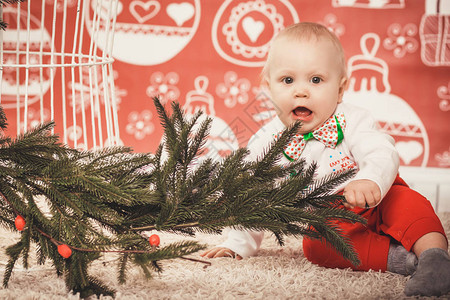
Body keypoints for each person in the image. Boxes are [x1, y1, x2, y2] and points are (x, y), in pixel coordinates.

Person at [200, 22, 450, 297]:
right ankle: (405, 261)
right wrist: (238, 243)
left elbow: (381, 150)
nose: (301, 91)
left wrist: (371, 179)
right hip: (331, 217)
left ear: (340, 89)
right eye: (287, 80)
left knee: (409, 205)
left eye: (316, 80)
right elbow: (252, 194)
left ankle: (434, 255)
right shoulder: (267, 141)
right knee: (317, 247)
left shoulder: (353, 119)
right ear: (268, 87)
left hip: (378, 196)